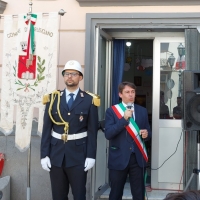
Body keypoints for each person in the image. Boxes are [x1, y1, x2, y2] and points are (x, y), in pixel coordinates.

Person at [40, 60, 100, 200]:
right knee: (58, 196)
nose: (70, 77)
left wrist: (91, 155)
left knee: (79, 195)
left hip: (79, 155)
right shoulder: (53, 99)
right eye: (66, 74)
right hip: (56, 155)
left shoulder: (89, 100)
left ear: (80, 77)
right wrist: (44, 155)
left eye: (74, 74)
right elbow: (46, 129)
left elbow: (92, 131)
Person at [105, 81, 152, 200]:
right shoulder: (112, 111)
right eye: (127, 92)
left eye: (133, 92)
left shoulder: (142, 111)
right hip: (119, 157)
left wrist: (146, 134)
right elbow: (109, 134)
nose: (131, 94)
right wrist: (124, 119)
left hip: (137, 158)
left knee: (138, 193)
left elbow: (149, 132)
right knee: (115, 193)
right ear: (120, 95)